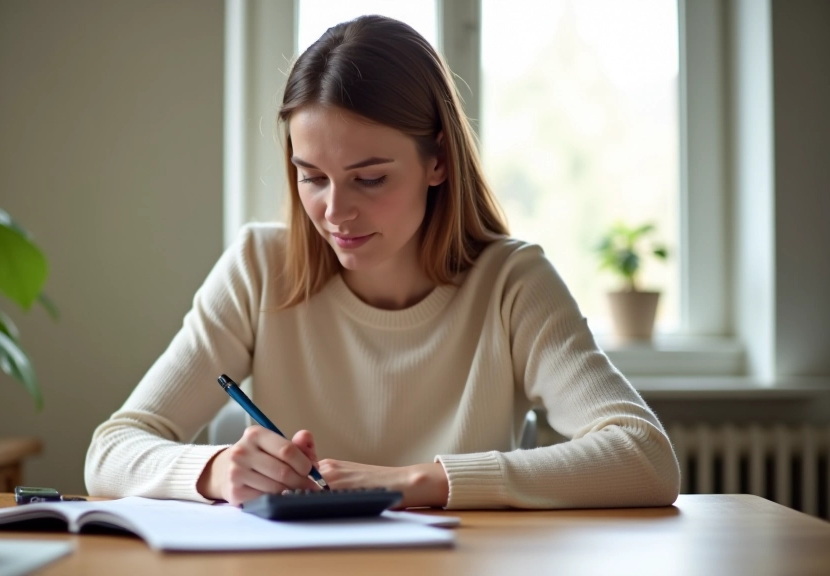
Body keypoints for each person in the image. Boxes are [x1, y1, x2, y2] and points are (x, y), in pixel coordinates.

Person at [85, 15, 680, 510]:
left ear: (438, 162)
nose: (335, 211)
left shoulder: (512, 283)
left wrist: (417, 481)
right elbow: (110, 451)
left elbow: (646, 457)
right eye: (311, 177)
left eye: (369, 178)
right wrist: (215, 470)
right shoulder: (259, 266)